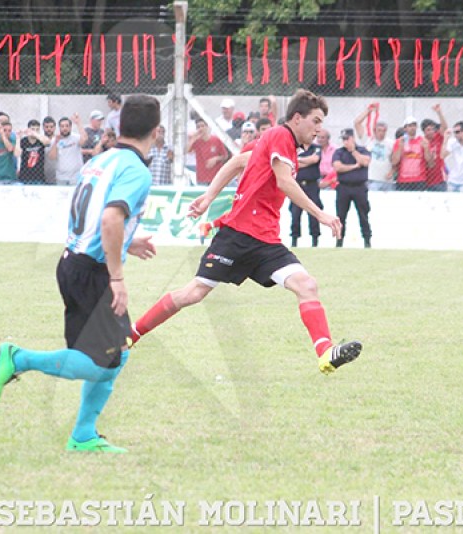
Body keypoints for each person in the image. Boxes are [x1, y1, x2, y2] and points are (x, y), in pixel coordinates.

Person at [130, 88, 362, 375]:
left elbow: (238, 162)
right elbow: (284, 182)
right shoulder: (281, 135)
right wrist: (321, 213)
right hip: (237, 236)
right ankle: (131, 334)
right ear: (297, 118)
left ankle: (325, 352)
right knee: (193, 293)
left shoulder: (280, 143)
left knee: (307, 285)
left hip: (266, 241)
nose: (319, 129)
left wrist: (209, 197)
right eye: (315, 121)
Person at [0, 94, 161, 453]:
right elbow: (110, 217)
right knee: (102, 365)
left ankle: (84, 434)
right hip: (91, 272)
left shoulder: (100, 160)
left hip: (74, 261)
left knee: (118, 353)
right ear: (156, 131)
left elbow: (94, 215)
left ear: (119, 125)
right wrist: (117, 277)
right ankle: (18, 358)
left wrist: (127, 242)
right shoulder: (136, 170)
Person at [332, 128, 372, 248]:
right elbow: (337, 167)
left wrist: (353, 151)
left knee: (363, 215)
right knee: (341, 216)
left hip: (359, 187)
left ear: (353, 138)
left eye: (347, 139)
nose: (345, 142)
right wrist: (354, 166)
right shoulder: (339, 152)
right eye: (343, 139)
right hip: (343, 187)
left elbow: (365, 162)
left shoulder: (363, 150)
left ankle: (367, 241)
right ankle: (339, 241)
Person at [289, 137, 323, 248]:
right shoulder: (296, 148)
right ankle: (294, 240)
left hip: (312, 185)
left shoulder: (316, 148)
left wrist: (299, 160)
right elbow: (293, 163)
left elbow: (314, 159)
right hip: (297, 185)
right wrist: (305, 161)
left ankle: (315, 240)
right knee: (295, 213)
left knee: (313, 213)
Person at [353, 103, 395, 191]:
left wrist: (392, 172)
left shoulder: (391, 143)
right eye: (379, 130)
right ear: (375, 130)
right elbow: (357, 123)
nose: (381, 133)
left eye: (384, 131)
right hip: (371, 179)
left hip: (387, 180)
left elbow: (395, 161)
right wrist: (368, 111)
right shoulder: (368, 140)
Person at [391, 116, 432, 191]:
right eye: (410, 126)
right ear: (405, 128)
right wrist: (400, 147)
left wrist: (426, 149)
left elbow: (429, 161)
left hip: (419, 180)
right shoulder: (400, 141)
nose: (412, 128)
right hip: (403, 180)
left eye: (414, 125)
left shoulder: (422, 141)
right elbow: (394, 161)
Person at [187, 117, 228, 185]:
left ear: (207, 127)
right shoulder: (197, 142)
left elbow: (225, 156)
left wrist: (216, 159)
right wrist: (193, 139)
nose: (201, 128)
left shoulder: (216, 140)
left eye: (202, 126)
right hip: (201, 178)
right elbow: (187, 151)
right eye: (198, 127)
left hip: (215, 177)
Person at [49, 114, 86, 185]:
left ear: (70, 127)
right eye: (62, 126)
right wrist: (56, 143)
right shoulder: (55, 140)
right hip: (61, 177)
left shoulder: (76, 137)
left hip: (75, 177)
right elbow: (52, 157)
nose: (64, 128)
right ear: (59, 128)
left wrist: (78, 123)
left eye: (67, 126)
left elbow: (84, 140)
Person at [422, 104, 448, 191]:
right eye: (428, 130)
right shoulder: (422, 142)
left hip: (439, 179)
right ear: (424, 132)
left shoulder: (437, 138)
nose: (431, 131)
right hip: (426, 180)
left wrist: (439, 112)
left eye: (432, 129)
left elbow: (444, 128)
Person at [442, 121, 463, 192]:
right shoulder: (452, 142)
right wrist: (445, 139)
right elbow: (442, 156)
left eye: (457, 132)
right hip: (453, 180)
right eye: (454, 132)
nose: (455, 135)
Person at [18, 119, 51, 185]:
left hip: (39, 177)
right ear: (28, 129)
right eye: (33, 129)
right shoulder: (23, 141)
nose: (35, 131)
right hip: (25, 177)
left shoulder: (41, 140)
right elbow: (17, 153)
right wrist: (18, 137)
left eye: (37, 129)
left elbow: (47, 142)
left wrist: (35, 134)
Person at [42, 116, 57, 184]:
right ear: (43, 127)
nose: (49, 129)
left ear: (55, 128)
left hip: (56, 173)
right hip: (42, 173)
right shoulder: (40, 140)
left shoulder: (58, 140)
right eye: (47, 127)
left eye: (51, 127)